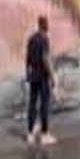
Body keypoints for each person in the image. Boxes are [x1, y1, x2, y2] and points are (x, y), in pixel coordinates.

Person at [25, 15, 57, 146]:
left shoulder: (31, 38)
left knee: (32, 104)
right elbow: (45, 58)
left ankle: (30, 133)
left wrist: (27, 73)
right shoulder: (44, 39)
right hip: (43, 76)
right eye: (47, 24)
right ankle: (45, 134)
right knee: (44, 104)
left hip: (33, 75)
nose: (48, 26)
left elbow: (27, 58)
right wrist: (52, 75)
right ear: (44, 25)